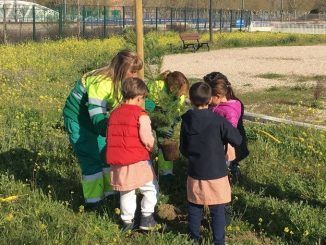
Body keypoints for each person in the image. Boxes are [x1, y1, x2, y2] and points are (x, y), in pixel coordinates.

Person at [63, 50, 142, 210]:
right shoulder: (102, 83)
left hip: (99, 119)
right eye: (132, 71)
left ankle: (109, 193)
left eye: (136, 72)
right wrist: (112, 132)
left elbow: (131, 101)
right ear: (121, 68)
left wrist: (149, 108)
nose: (135, 75)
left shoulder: (123, 81)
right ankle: (93, 202)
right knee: (90, 156)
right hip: (79, 120)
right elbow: (97, 115)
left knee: (105, 154)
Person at [180, 82, 242, 245]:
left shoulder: (186, 120)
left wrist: (193, 157)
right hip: (217, 172)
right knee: (217, 208)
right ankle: (219, 241)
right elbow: (237, 139)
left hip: (195, 171)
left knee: (194, 205)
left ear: (190, 99)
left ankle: (194, 238)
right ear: (210, 100)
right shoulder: (218, 120)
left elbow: (183, 148)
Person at [106, 77, 159, 231]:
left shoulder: (114, 113)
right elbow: (147, 139)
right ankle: (147, 218)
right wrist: (152, 147)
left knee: (126, 191)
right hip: (138, 160)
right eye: (143, 99)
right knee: (150, 188)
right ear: (139, 98)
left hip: (119, 162)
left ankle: (127, 222)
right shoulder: (141, 115)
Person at [204, 72, 249, 184]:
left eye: (208, 95)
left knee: (226, 168)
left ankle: (231, 176)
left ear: (218, 95)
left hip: (230, 147)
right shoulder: (215, 104)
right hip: (217, 144)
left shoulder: (230, 110)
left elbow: (230, 134)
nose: (205, 97)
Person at [145, 70, 190, 180]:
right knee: (148, 144)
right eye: (182, 92)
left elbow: (177, 109)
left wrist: (174, 120)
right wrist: (158, 125)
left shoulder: (180, 95)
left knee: (166, 142)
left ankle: (166, 173)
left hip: (164, 119)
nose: (183, 94)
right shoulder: (155, 88)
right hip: (148, 120)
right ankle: (147, 173)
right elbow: (144, 110)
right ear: (172, 89)